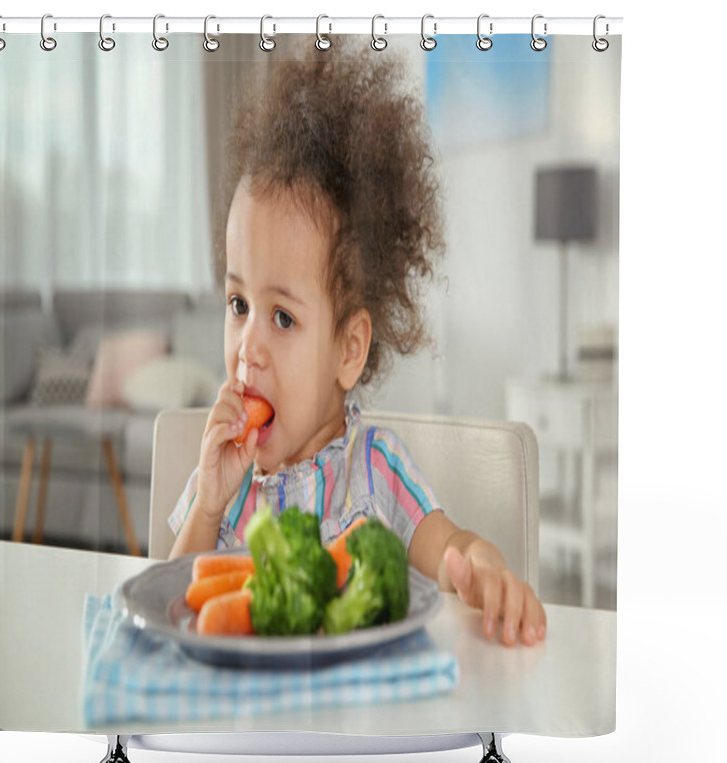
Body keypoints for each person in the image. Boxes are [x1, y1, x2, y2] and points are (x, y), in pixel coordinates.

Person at [169, 40, 546, 648]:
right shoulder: (222, 483)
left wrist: (480, 563)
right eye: (239, 306)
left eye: (283, 318)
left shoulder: (374, 468)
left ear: (350, 349)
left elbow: (448, 548)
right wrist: (208, 505)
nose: (248, 349)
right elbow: (176, 602)